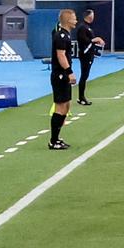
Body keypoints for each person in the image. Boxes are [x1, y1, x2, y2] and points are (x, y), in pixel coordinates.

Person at [48, 8, 76, 150]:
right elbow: (61, 55)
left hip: (63, 75)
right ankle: (53, 140)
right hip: (60, 75)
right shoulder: (61, 36)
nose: (76, 20)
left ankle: (57, 137)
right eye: (74, 18)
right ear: (68, 20)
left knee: (66, 105)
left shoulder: (66, 35)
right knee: (60, 106)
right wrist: (69, 72)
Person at [75, 9, 103, 105]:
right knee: (84, 75)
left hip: (89, 54)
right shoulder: (83, 27)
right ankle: (81, 97)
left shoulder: (88, 27)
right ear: (89, 16)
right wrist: (95, 39)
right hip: (85, 54)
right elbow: (84, 40)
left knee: (85, 75)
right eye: (92, 15)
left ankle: (81, 96)